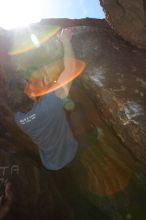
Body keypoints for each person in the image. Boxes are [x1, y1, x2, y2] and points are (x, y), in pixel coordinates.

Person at [8, 25, 86, 171]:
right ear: (30, 95)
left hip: (50, 164)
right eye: (30, 83)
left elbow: (37, 107)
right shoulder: (51, 103)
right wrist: (65, 41)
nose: (32, 80)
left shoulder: (18, 118)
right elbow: (70, 70)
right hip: (70, 154)